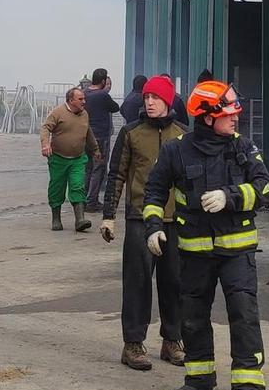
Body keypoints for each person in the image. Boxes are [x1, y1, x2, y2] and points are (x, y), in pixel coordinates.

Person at [142, 78, 269, 390]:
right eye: (228, 114)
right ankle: (199, 382)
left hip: (237, 253)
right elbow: (155, 191)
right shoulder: (176, 150)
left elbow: (266, 187)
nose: (235, 119)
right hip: (195, 252)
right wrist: (154, 228)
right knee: (193, 318)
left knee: (243, 316)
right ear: (206, 117)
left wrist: (231, 196)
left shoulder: (242, 147)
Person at [100, 74, 185, 371]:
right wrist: (109, 216)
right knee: (137, 282)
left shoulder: (183, 134)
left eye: (155, 98)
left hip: (174, 219)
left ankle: (172, 340)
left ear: (168, 100)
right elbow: (117, 174)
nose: (149, 102)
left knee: (175, 282)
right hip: (139, 217)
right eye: (147, 97)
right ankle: (133, 344)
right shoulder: (132, 133)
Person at [39, 84, 102, 233]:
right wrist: (45, 144)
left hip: (78, 159)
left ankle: (80, 219)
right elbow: (45, 128)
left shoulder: (84, 114)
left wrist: (95, 149)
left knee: (77, 185)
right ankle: (56, 219)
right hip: (58, 158)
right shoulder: (58, 113)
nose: (84, 101)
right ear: (70, 100)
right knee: (57, 187)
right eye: (80, 99)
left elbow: (88, 132)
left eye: (84, 98)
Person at [82, 68, 121, 171]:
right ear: (103, 81)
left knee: (87, 167)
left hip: (85, 135)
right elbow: (115, 107)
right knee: (98, 167)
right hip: (100, 136)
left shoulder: (84, 93)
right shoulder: (103, 95)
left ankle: (86, 187)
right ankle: (97, 188)